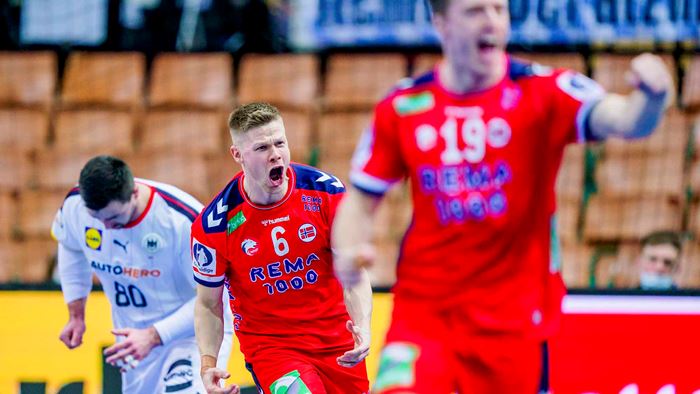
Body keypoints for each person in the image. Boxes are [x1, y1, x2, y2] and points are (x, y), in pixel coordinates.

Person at [330, 0, 674, 392]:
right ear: (441, 23)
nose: (492, 21)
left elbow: (626, 120)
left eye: (499, 9)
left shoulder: (544, 90)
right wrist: (349, 251)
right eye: (476, 11)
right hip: (424, 316)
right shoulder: (404, 105)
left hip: (514, 325)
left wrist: (653, 97)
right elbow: (360, 199)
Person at [191, 102, 372, 394]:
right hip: (272, 348)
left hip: (337, 340)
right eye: (262, 148)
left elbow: (353, 271)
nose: (276, 154)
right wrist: (207, 364)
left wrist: (362, 326)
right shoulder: (215, 224)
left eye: (280, 143)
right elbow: (207, 303)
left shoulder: (325, 191)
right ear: (237, 155)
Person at [51, 155, 233, 393]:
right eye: (98, 219)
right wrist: (76, 314)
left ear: (135, 193)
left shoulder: (184, 222)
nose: (105, 227)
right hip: (134, 340)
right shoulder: (76, 205)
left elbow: (216, 299)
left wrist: (155, 335)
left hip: (194, 334)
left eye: (114, 218)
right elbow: (71, 245)